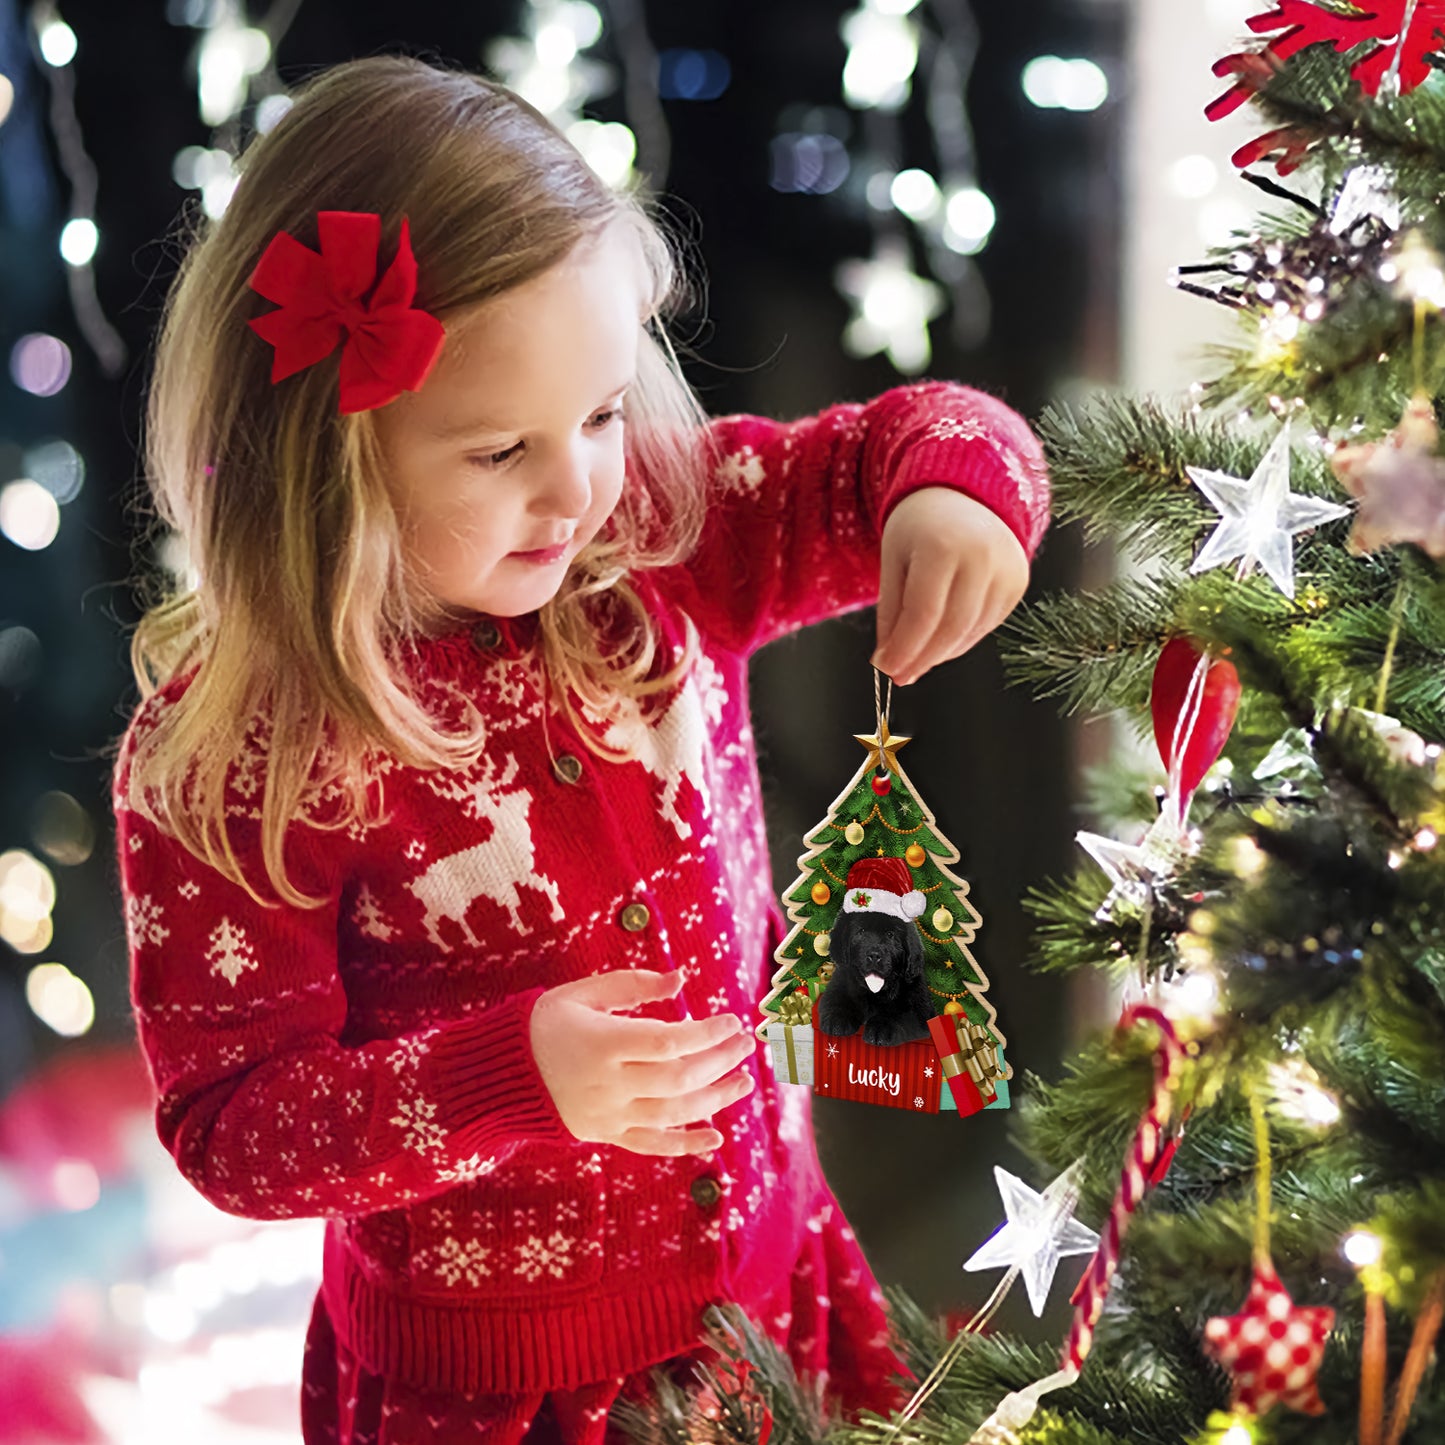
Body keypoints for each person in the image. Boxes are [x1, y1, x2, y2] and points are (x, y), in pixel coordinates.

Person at [111, 54, 1051, 1445]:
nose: (577, 487)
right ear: (321, 455)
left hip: (765, 1285)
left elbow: (905, 443)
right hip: (501, 1390)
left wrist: (957, 496)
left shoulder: (660, 542)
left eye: (604, 412)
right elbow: (233, 1128)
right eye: (499, 452)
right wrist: (510, 1076)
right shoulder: (236, 753)